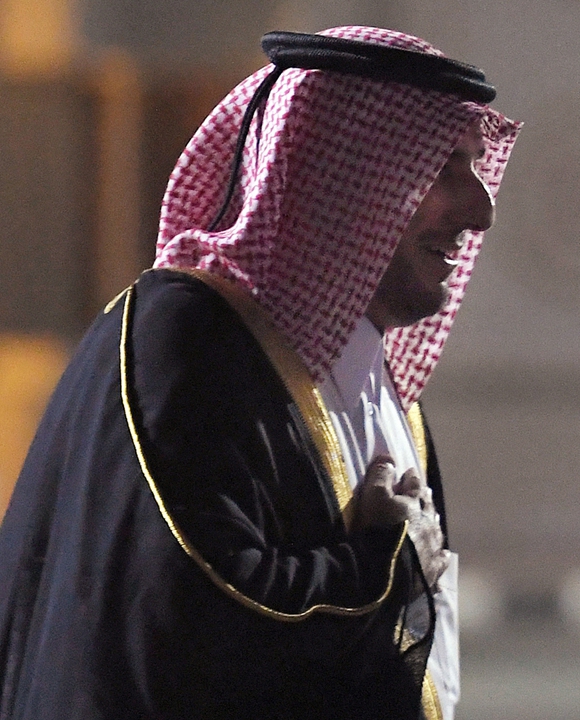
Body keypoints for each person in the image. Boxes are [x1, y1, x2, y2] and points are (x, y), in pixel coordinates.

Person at [0, 26, 519, 719]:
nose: (479, 211)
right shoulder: (186, 334)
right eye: (444, 166)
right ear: (343, 176)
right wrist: (382, 564)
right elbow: (192, 611)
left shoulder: (388, 395)